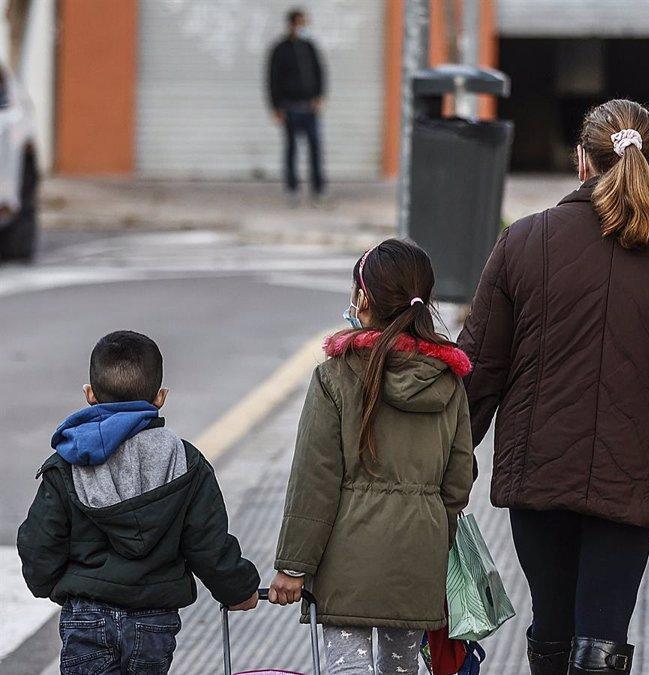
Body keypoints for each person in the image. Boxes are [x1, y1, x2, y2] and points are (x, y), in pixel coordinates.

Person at [459, 98, 649, 674]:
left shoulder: (525, 242)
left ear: (580, 162)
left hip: (538, 470)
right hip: (634, 476)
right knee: (604, 629)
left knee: (552, 622)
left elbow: (478, 369)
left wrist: (452, 459)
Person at [268, 239, 476, 675]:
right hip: (418, 559)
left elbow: (315, 479)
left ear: (363, 298)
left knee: (349, 668)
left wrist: (293, 565)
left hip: (348, 560)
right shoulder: (449, 381)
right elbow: (458, 482)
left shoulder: (336, 375)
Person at [17, 330, 260, 674]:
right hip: (154, 621)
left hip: (86, 615)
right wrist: (239, 591)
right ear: (160, 397)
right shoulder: (185, 462)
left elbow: (41, 541)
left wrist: (46, 583)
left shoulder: (68, 464)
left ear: (90, 394)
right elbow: (208, 542)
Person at [267, 7, 326, 205]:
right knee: (292, 150)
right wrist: (276, 107)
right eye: (300, 23)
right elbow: (272, 79)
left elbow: (319, 72)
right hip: (290, 108)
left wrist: (319, 96)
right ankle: (292, 190)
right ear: (292, 24)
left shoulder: (309, 47)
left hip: (309, 108)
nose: (304, 27)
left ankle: (318, 190)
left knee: (315, 149)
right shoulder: (280, 49)